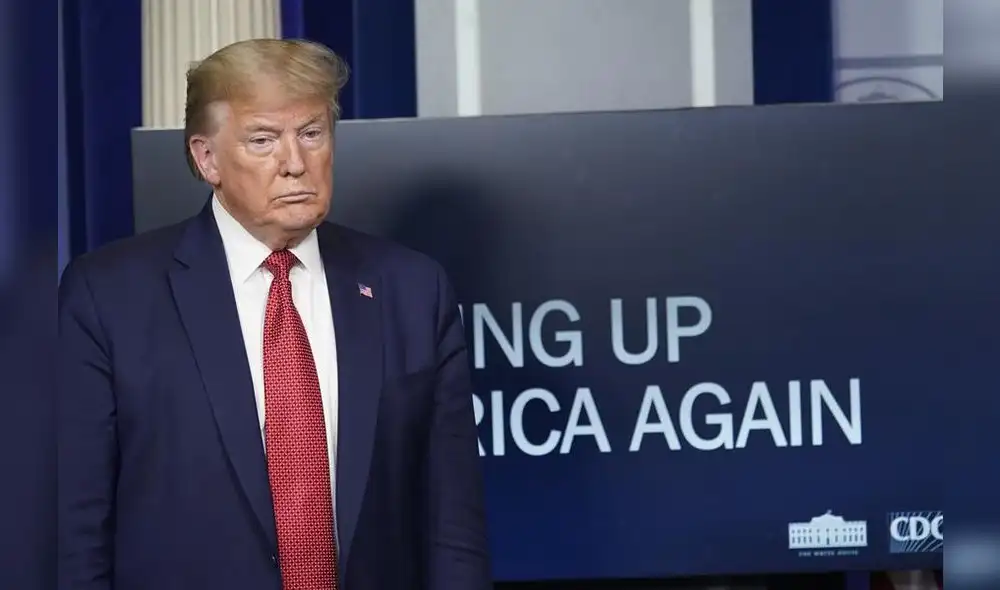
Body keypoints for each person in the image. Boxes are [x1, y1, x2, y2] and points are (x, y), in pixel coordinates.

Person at [58, 38, 491, 590]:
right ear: (206, 157)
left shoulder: (410, 289)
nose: (295, 163)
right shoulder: (108, 295)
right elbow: (79, 527)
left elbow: (452, 524)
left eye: (311, 134)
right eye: (263, 140)